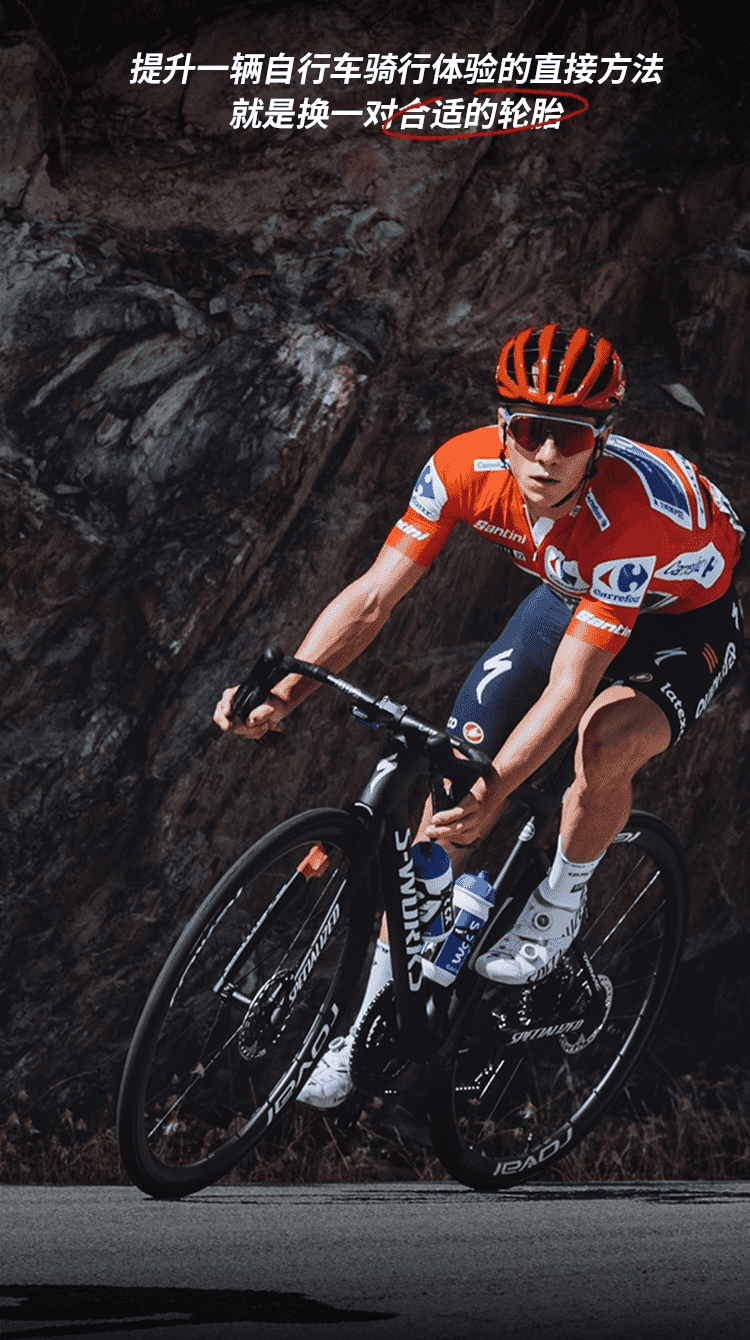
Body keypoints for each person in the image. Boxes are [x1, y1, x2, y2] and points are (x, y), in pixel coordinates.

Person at [214, 323, 744, 1109]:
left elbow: (570, 689)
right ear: (503, 425)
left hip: (682, 622)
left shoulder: (628, 516)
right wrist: (287, 691)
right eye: (530, 431)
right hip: (574, 592)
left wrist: (499, 790)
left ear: (601, 437)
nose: (547, 456)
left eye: (570, 437)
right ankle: (362, 1033)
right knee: (448, 807)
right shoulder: (461, 468)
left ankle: (561, 899)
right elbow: (374, 595)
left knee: (602, 739)